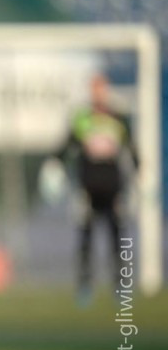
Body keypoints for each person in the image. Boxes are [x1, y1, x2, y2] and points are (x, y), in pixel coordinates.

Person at [54, 72, 139, 307]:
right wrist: (54, 164)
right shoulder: (82, 117)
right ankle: (85, 285)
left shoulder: (118, 118)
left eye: (102, 88)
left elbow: (131, 149)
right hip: (87, 187)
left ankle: (121, 286)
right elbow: (67, 145)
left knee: (117, 238)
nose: (98, 93)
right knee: (86, 239)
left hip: (113, 187)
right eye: (95, 88)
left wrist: (141, 175)